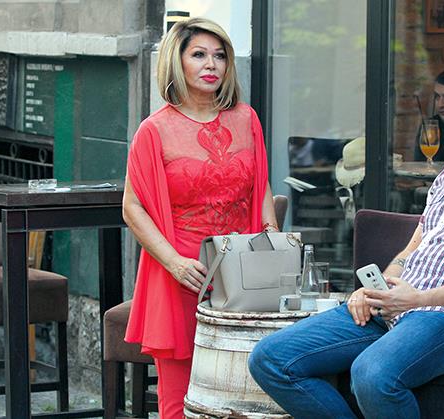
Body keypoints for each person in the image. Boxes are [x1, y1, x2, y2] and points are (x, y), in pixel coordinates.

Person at [248, 49, 444, 419]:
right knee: (271, 358)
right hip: (402, 307)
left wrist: (418, 298)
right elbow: (414, 248)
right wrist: (381, 287)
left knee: (373, 374)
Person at [122, 17, 277, 418]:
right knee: (180, 394)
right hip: (182, 271)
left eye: (219, 56)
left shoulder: (247, 118)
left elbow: (261, 186)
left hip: (243, 269)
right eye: (199, 55)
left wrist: (272, 240)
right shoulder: (153, 131)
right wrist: (173, 262)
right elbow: (132, 207)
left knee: (245, 388)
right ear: (177, 62)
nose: (211, 64)